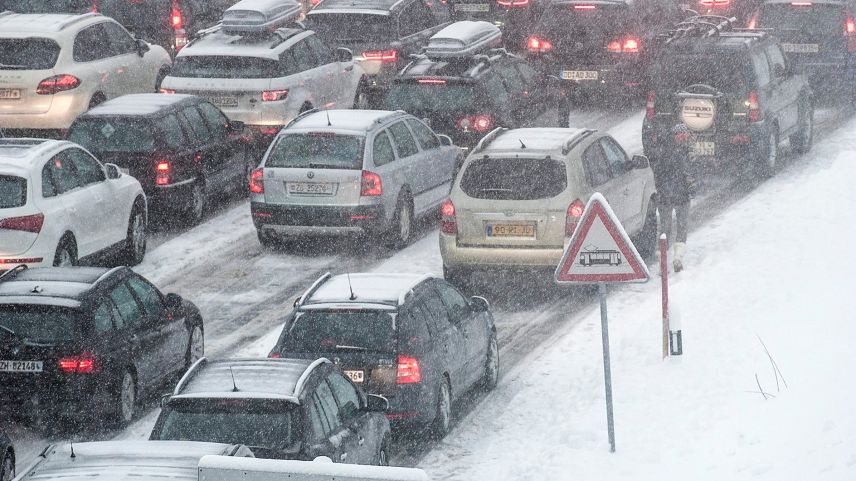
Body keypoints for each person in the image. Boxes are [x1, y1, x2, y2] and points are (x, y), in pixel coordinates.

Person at [651, 123, 694, 272]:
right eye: (684, 135)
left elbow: (658, 174)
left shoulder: (663, 149)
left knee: (665, 229)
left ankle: (668, 262)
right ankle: (675, 259)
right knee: (677, 227)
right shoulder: (677, 151)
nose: (686, 137)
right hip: (678, 195)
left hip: (668, 196)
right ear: (678, 135)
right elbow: (685, 172)